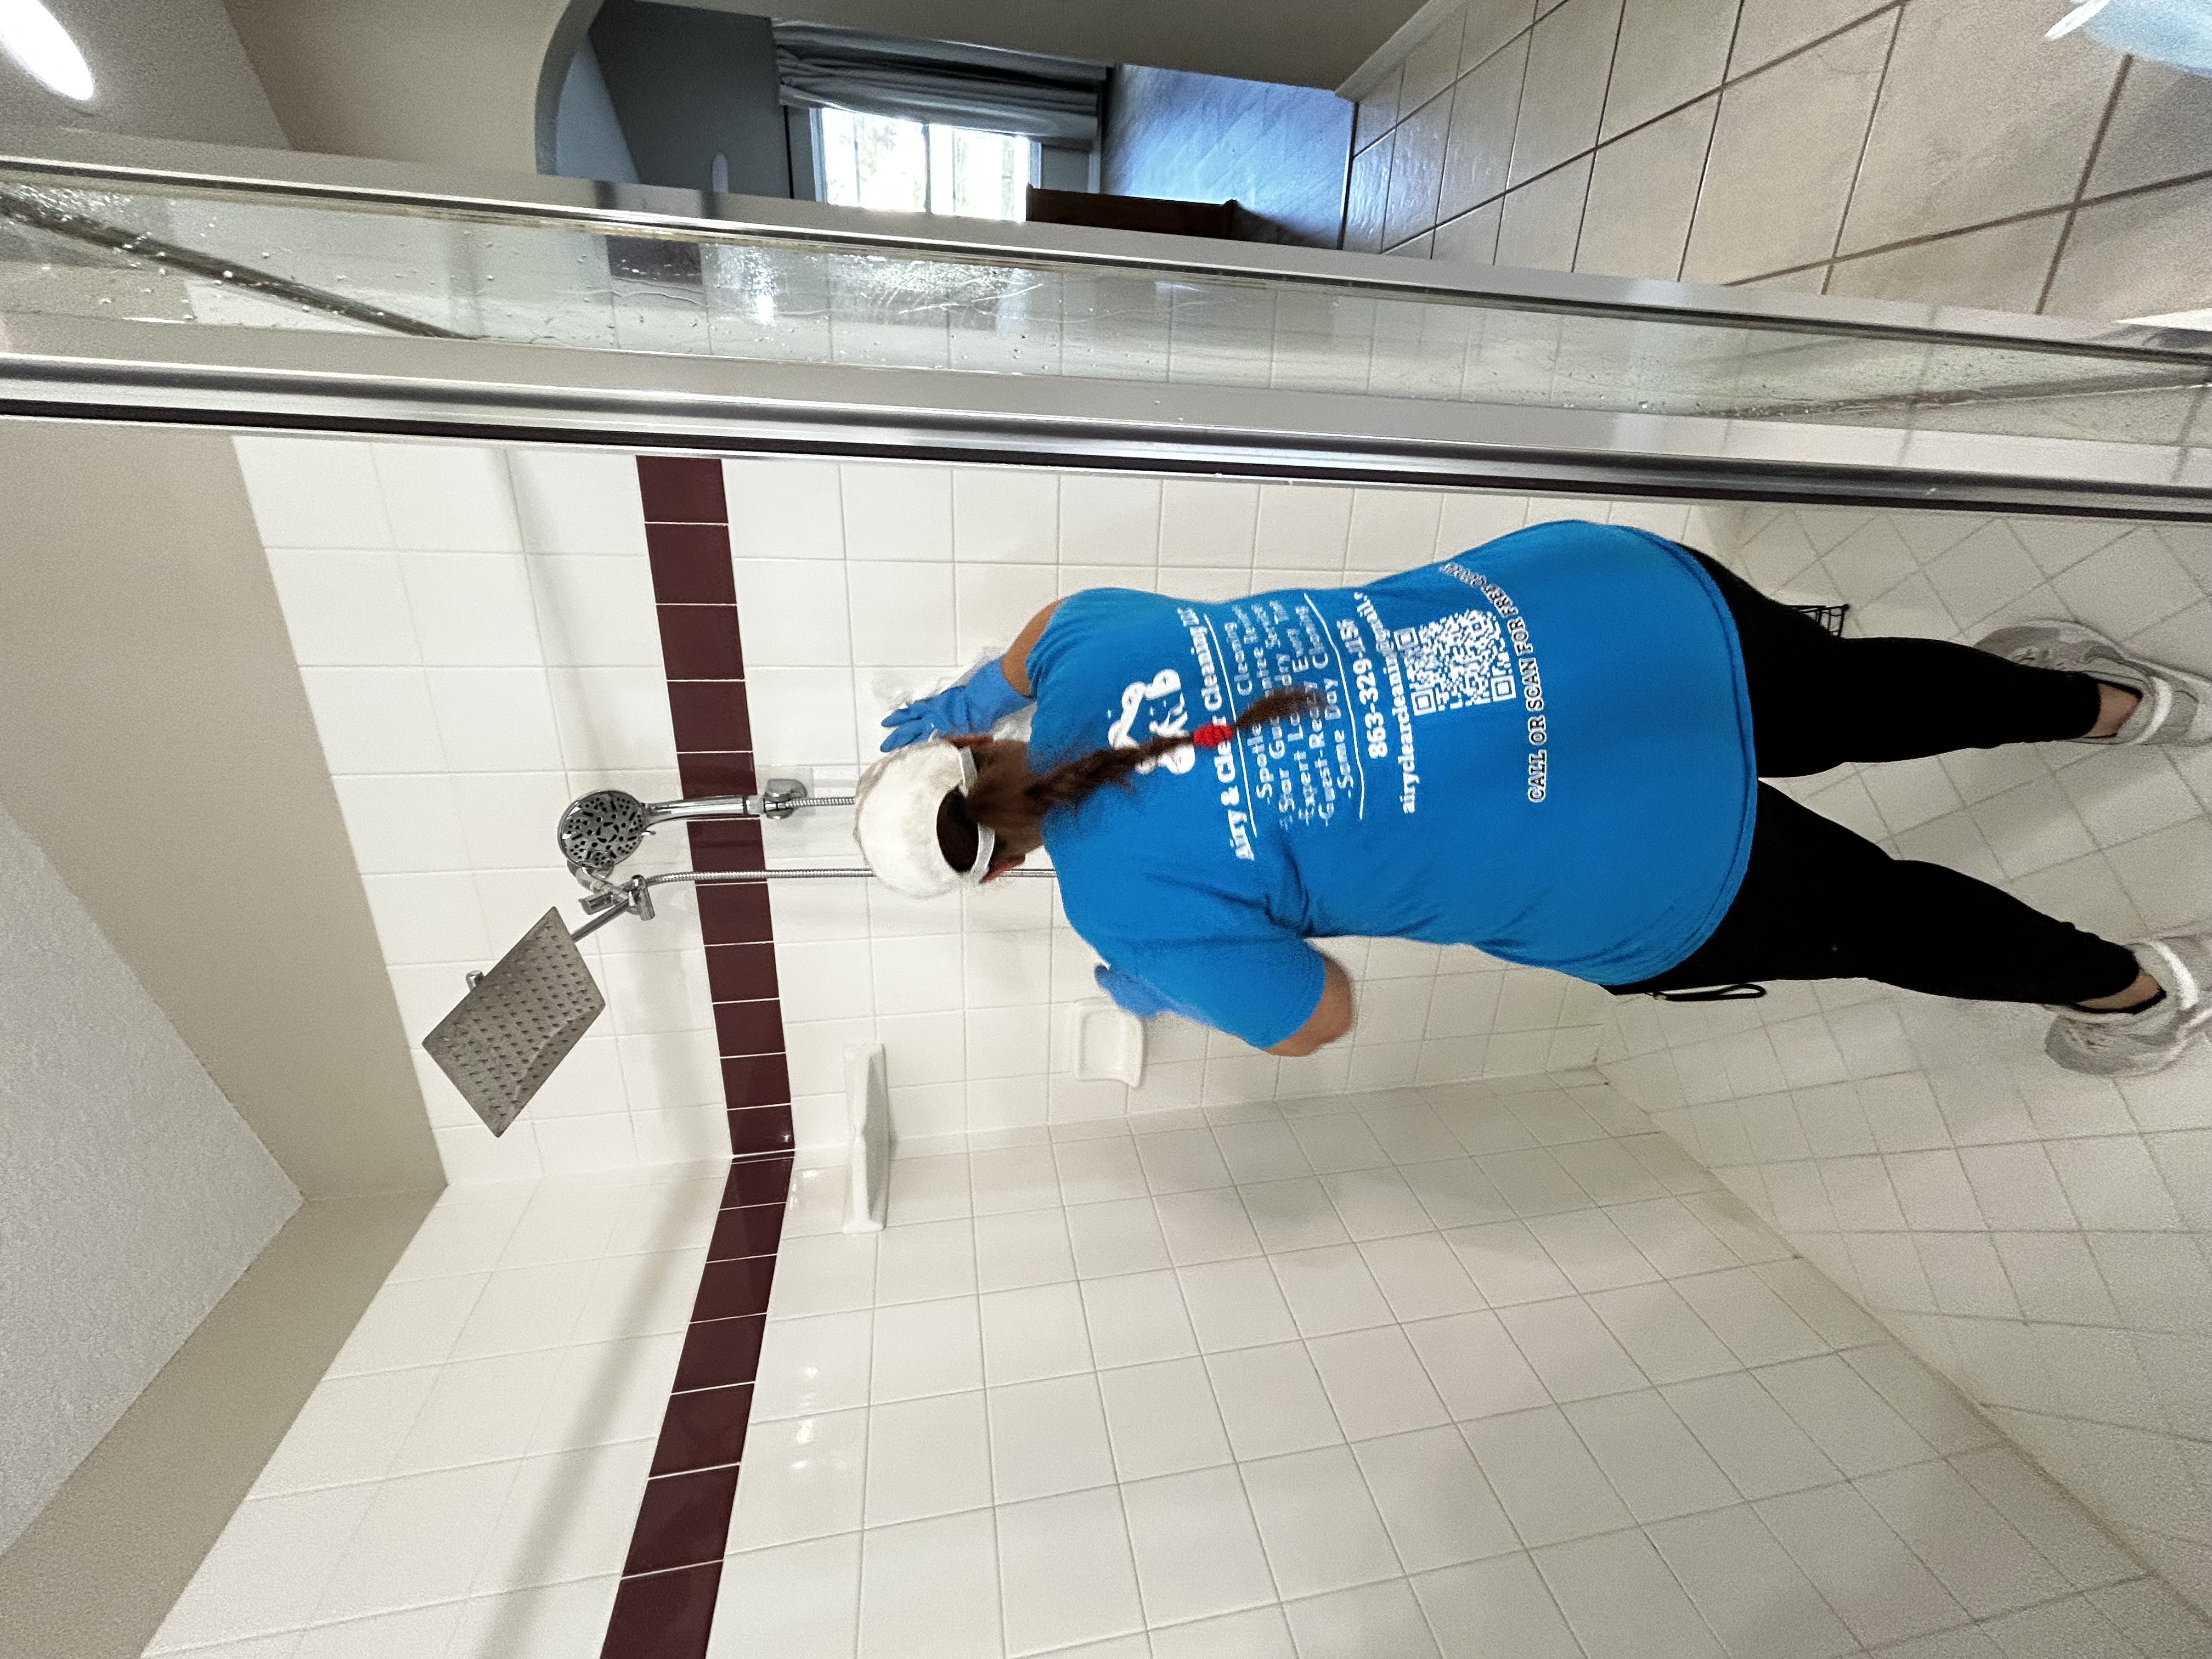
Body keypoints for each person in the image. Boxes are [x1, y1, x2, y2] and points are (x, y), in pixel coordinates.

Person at [853, 518, 2212, 1077]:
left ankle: (2142, 994)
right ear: (965, 746)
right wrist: (981, 682)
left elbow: (1315, 1018)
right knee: (1855, 695)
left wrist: (1168, 979)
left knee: (1890, 916)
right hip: (1596, 620)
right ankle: (2124, 703)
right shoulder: (1088, 645)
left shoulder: (1121, 906)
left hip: (1626, 859)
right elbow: (1037, 639)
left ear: (997, 870)